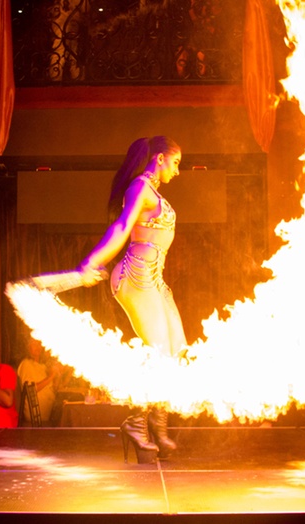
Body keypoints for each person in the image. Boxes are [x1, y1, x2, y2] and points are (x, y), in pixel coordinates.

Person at [75, 136, 183, 459]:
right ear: (160, 158)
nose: (178, 171)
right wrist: (93, 260)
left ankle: (158, 425)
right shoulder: (139, 188)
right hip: (136, 278)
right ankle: (137, 423)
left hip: (155, 280)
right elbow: (122, 228)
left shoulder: (153, 192)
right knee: (159, 353)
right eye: (176, 163)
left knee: (175, 350)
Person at [16, 338, 59, 424]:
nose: (37, 347)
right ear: (27, 348)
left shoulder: (42, 366)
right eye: (34, 344)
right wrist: (51, 377)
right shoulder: (26, 364)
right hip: (35, 417)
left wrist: (58, 375)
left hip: (48, 414)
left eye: (39, 343)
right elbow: (30, 390)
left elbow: (54, 389)